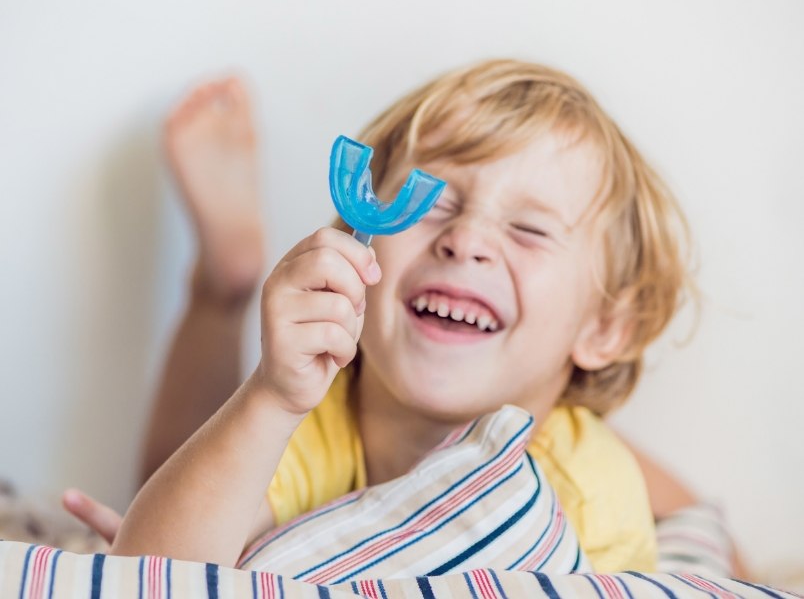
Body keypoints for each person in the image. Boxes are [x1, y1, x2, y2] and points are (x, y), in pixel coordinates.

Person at [65, 63, 714, 573]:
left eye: (528, 229)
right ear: (359, 240)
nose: (467, 239)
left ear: (603, 329)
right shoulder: (309, 417)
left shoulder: (590, 492)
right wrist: (270, 397)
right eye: (428, 201)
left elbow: (694, 532)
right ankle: (224, 286)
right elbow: (153, 571)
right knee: (167, 478)